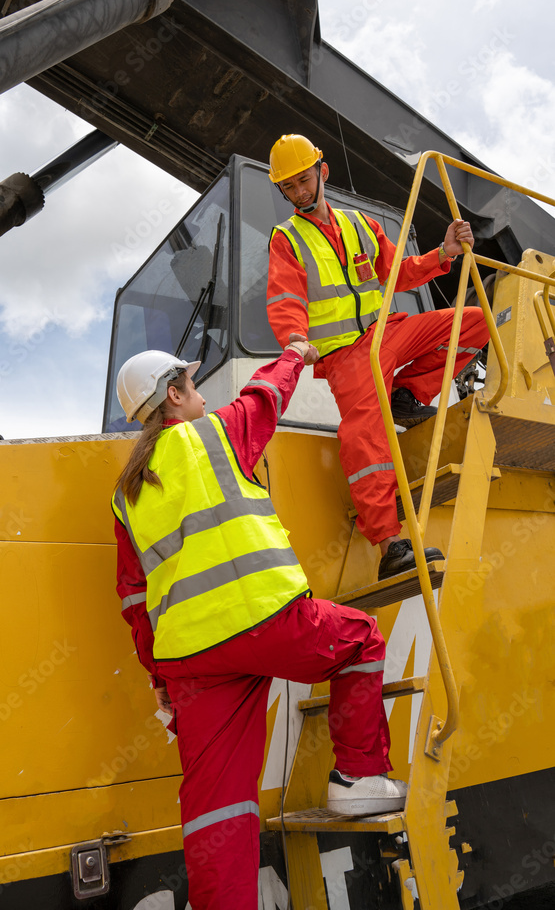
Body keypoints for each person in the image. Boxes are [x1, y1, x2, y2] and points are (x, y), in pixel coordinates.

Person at [112, 346, 407, 910]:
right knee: (361, 639)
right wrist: (296, 353)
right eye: (193, 385)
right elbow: (266, 395)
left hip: (190, 658)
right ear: (174, 395)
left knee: (216, 801)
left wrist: (160, 680)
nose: (203, 394)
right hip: (265, 618)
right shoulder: (216, 434)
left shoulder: (126, 493)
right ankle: (356, 779)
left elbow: (133, 598)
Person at [266, 134, 490, 579]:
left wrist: (443, 252)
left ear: (322, 173)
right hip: (347, 356)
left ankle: (407, 394)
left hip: (388, 333)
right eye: (289, 187)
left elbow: (399, 274)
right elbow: (284, 298)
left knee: (477, 319)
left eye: (304, 180)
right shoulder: (285, 239)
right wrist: (295, 339)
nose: (299, 192)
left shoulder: (361, 225)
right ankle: (391, 545)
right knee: (364, 437)